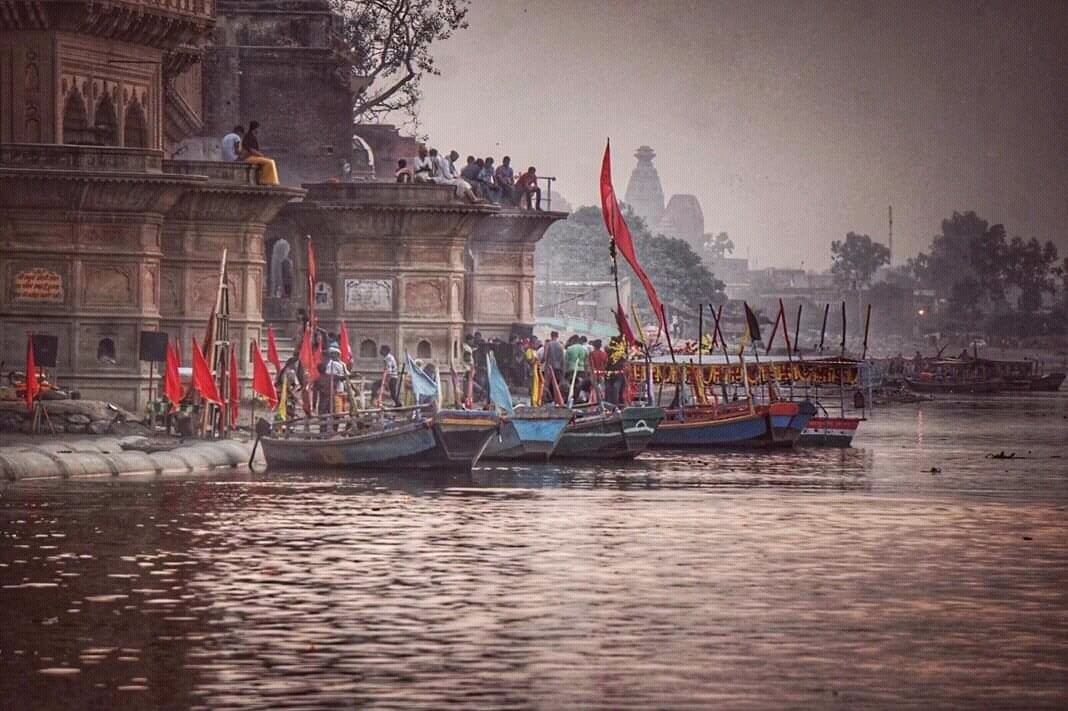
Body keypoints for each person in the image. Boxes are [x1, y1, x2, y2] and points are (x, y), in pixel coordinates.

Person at [241, 120, 280, 186]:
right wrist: (261, 155)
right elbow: (250, 149)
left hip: (254, 157)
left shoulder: (253, 137)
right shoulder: (248, 136)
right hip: (249, 158)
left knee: (269, 161)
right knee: (270, 162)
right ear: (255, 128)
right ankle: (267, 181)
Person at [324, 346, 349, 414]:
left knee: (346, 409)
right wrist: (343, 377)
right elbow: (332, 376)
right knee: (337, 410)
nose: (333, 355)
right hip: (335, 390)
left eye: (335, 354)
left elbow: (347, 375)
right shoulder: (331, 364)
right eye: (332, 354)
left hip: (344, 389)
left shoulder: (342, 364)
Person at [541, 330, 565, 401]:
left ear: (551, 336)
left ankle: (545, 398)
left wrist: (540, 362)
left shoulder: (548, 344)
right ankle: (555, 398)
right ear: (557, 336)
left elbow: (545, 357)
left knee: (547, 383)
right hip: (558, 368)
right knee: (555, 384)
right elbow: (562, 359)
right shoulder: (561, 346)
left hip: (549, 366)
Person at [564, 336, 588, 402]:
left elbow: (566, 362)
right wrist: (586, 373)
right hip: (581, 370)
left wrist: (564, 373)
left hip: (571, 369)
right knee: (579, 385)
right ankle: (576, 398)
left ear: (573, 341)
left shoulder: (569, 348)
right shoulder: (584, 350)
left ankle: (569, 399)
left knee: (571, 384)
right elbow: (586, 362)